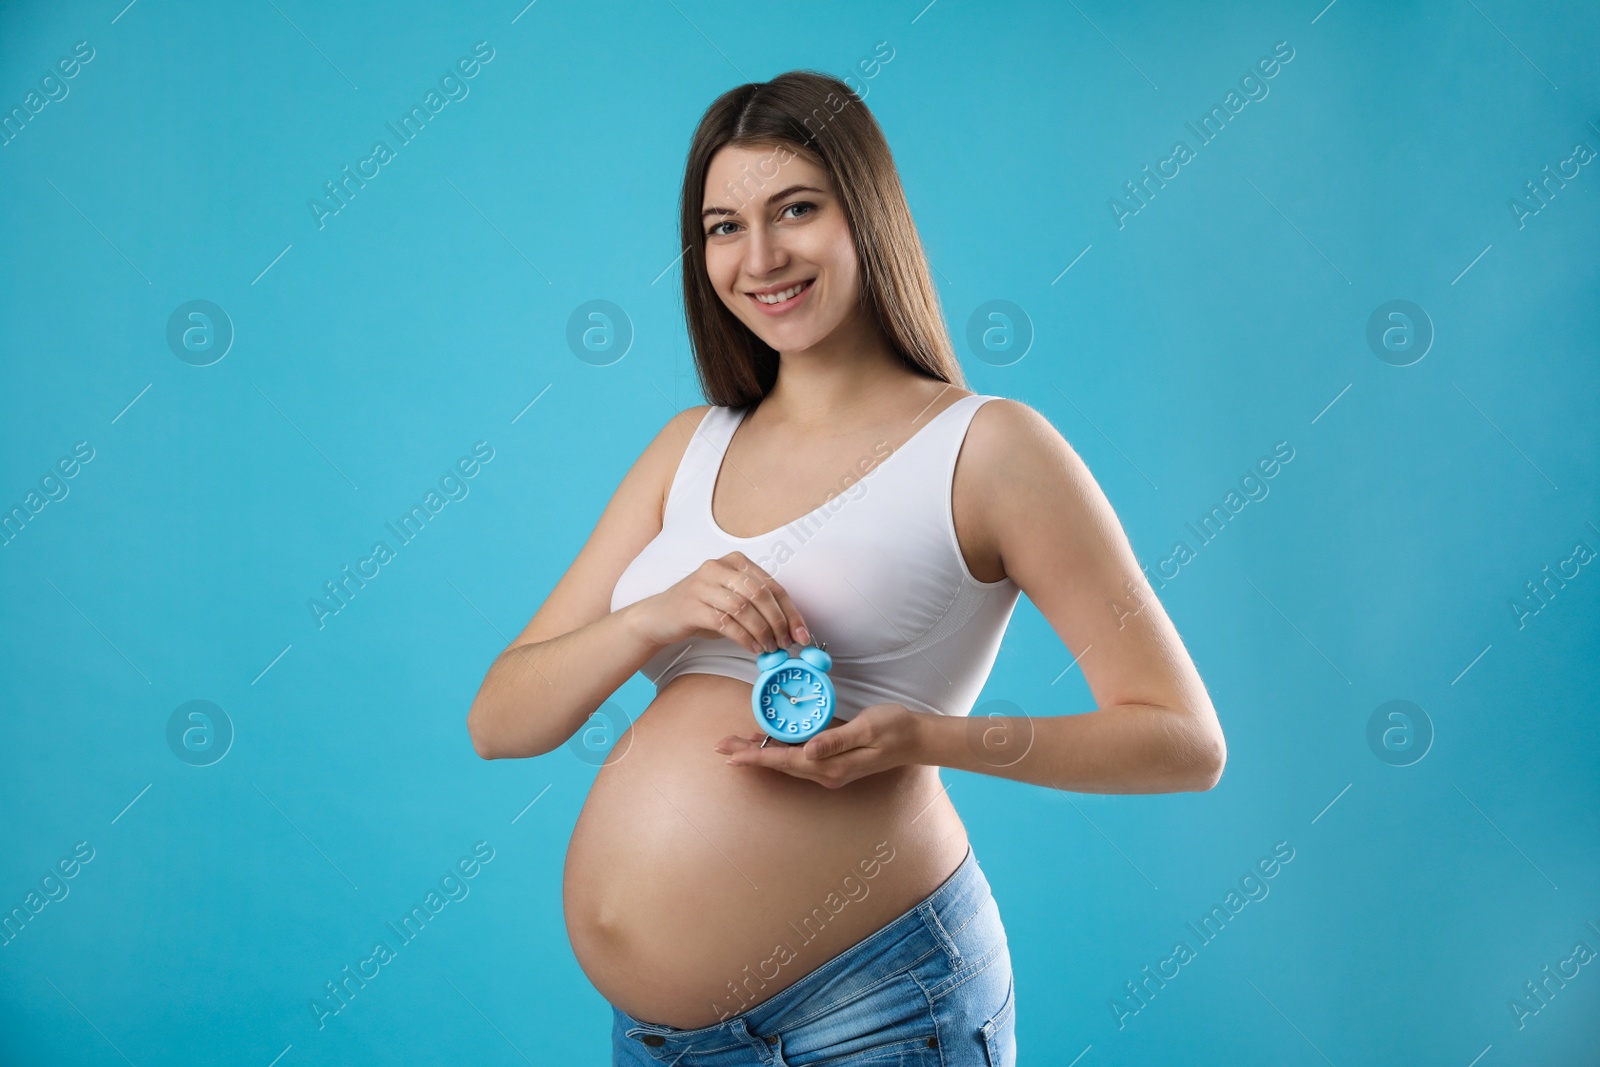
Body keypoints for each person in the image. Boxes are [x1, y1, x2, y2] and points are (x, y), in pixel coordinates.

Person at [466, 69, 1225, 1066]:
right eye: (724, 226)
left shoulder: (988, 448)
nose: (762, 255)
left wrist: (928, 737)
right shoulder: (686, 446)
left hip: (874, 1009)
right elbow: (500, 721)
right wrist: (652, 618)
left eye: (795, 210)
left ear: (863, 213)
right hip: (657, 1041)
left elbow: (1181, 740)